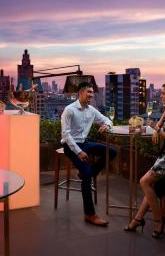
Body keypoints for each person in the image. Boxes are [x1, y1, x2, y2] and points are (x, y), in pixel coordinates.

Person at [123, 81, 165, 238]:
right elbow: (159, 123)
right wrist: (155, 130)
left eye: (163, 93)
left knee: (144, 182)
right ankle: (138, 219)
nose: (161, 96)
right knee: (151, 187)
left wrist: (156, 129)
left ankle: (158, 221)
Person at [61, 82, 117, 227]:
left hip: (85, 142)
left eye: (92, 92)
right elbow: (65, 135)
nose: (91, 95)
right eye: (89, 92)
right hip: (71, 146)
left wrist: (107, 125)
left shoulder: (91, 110)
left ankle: (91, 172)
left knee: (112, 151)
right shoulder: (69, 110)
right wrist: (79, 152)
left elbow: (107, 120)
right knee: (86, 175)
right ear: (80, 93)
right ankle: (90, 214)